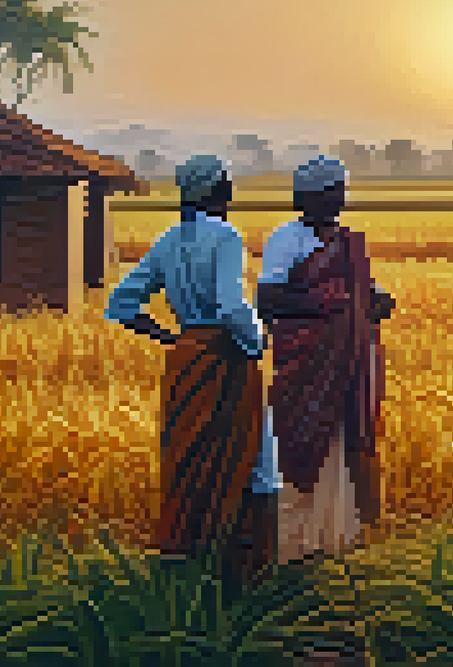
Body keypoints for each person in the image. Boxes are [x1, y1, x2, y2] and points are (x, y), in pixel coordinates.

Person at [105, 155, 278, 589]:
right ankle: (243, 574)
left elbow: (122, 303)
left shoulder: (169, 240)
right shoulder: (225, 236)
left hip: (186, 359)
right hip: (226, 357)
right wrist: (257, 339)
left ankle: (186, 566)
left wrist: (171, 337)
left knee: (189, 459)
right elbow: (230, 305)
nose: (232, 190)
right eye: (228, 183)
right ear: (217, 190)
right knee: (248, 457)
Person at [256, 156, 394, 564]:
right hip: (305, 365)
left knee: (342, 444)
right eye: (326, 193)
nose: (335, 200)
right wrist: (321, 302)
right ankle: (292, 546)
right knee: (298, 445)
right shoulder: (286, 239)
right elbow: (268, 299)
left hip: (347, 363)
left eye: (339, 191)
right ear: (303, 198)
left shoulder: (349, 243)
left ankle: (335, 542)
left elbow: (363, 291)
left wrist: (377, 301)